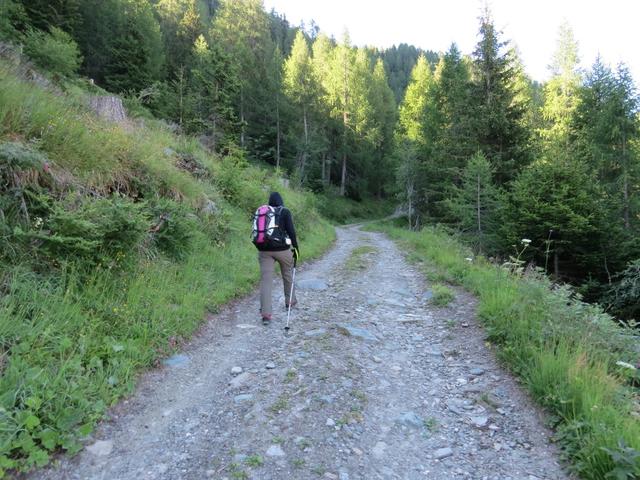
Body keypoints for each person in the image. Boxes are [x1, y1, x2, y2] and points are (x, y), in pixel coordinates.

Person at [256, 192, 299, 324]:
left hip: (264, 250)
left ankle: (266, 314)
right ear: (281, 201)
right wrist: (296, 247)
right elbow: (291, 231)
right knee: (287, 273)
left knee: (266, 280)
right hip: (282, 250)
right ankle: (290, 302)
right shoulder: (284, 211)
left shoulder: (263, 212)